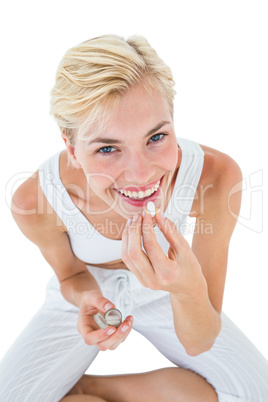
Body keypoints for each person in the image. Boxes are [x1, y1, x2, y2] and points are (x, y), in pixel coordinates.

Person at [0, 34, 267, 402]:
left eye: (156, 136)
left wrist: (186, 287)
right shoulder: (35, 200)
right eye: (107, 148)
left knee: (257, 393)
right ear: (71, 148)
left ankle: (84, 388)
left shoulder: (217, 178)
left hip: (170, 285)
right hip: (92, 285)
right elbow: (71, 275)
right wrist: (86, 299)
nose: (140, 174)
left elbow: (199, 340)